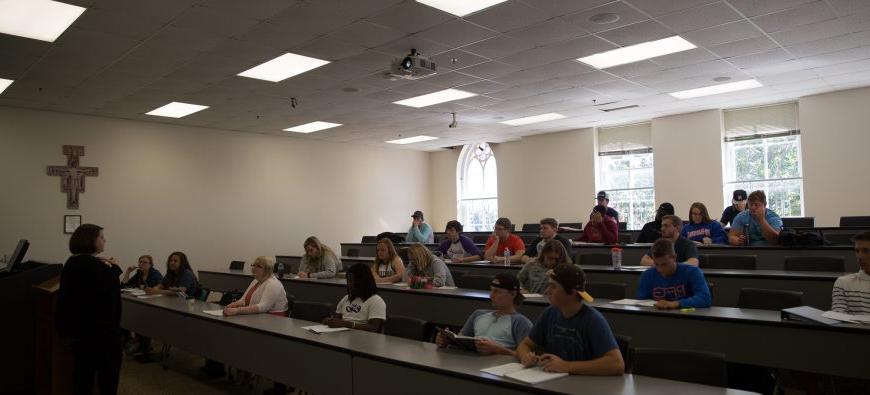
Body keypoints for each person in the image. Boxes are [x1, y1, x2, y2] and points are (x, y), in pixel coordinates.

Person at [515, 264, 624, 375]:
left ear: (571, 292)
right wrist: (526, 356)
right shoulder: (549, 313)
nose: (547, 291)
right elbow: (525, 345)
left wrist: (566, 366)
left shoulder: (593, 320)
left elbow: (617, 364)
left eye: (553, 286)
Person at [55, 224, 123, 395]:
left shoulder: (72, 262)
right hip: (101, 334)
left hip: (80, 333)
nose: (104, 240)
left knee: (83, 374)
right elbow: (112, 295)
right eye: (101, 237)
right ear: (90, 240)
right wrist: (114, 267)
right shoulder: (95, 266)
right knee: (107, 376)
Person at [436, 273, 533, 355]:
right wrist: (447, 341)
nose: (491, 295)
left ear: (513, 294)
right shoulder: (478, 314)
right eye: (491, 290)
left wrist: (500, 350)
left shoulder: (521, 322)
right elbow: (462, 341)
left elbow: (526, 357)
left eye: (497, 292)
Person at [637, 239, 712, 309]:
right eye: (656, 264)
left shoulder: (693, 272)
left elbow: (705, 299)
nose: (660, 269)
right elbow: (642, 302)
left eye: (664, 264)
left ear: (674, 257)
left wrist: (675, 304)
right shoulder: (646, 275)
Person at [324, 263, 386, 332]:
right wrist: (330, 321)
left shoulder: (376, 301)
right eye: (348, 281)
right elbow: (337, 319)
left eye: (351, 281)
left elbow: (374, 328)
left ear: (362, 282)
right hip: (343, 336)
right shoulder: (346, 298)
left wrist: (347, 324)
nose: (349, 285)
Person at [223, 256, 289, 316]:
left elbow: (263, 307)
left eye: (259, 266)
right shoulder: (255, 280)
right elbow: (243, 300)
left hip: (273, 319)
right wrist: (233, 305)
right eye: (253, 265)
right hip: (258, 316)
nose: (254, 268)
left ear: (267, 270)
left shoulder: (273, 284)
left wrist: (237, 311)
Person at [831, 231, 870, 315]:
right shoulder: (843, 283)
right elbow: (838, 319)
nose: (860, 256)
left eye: (866, 251)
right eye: (857, 251)